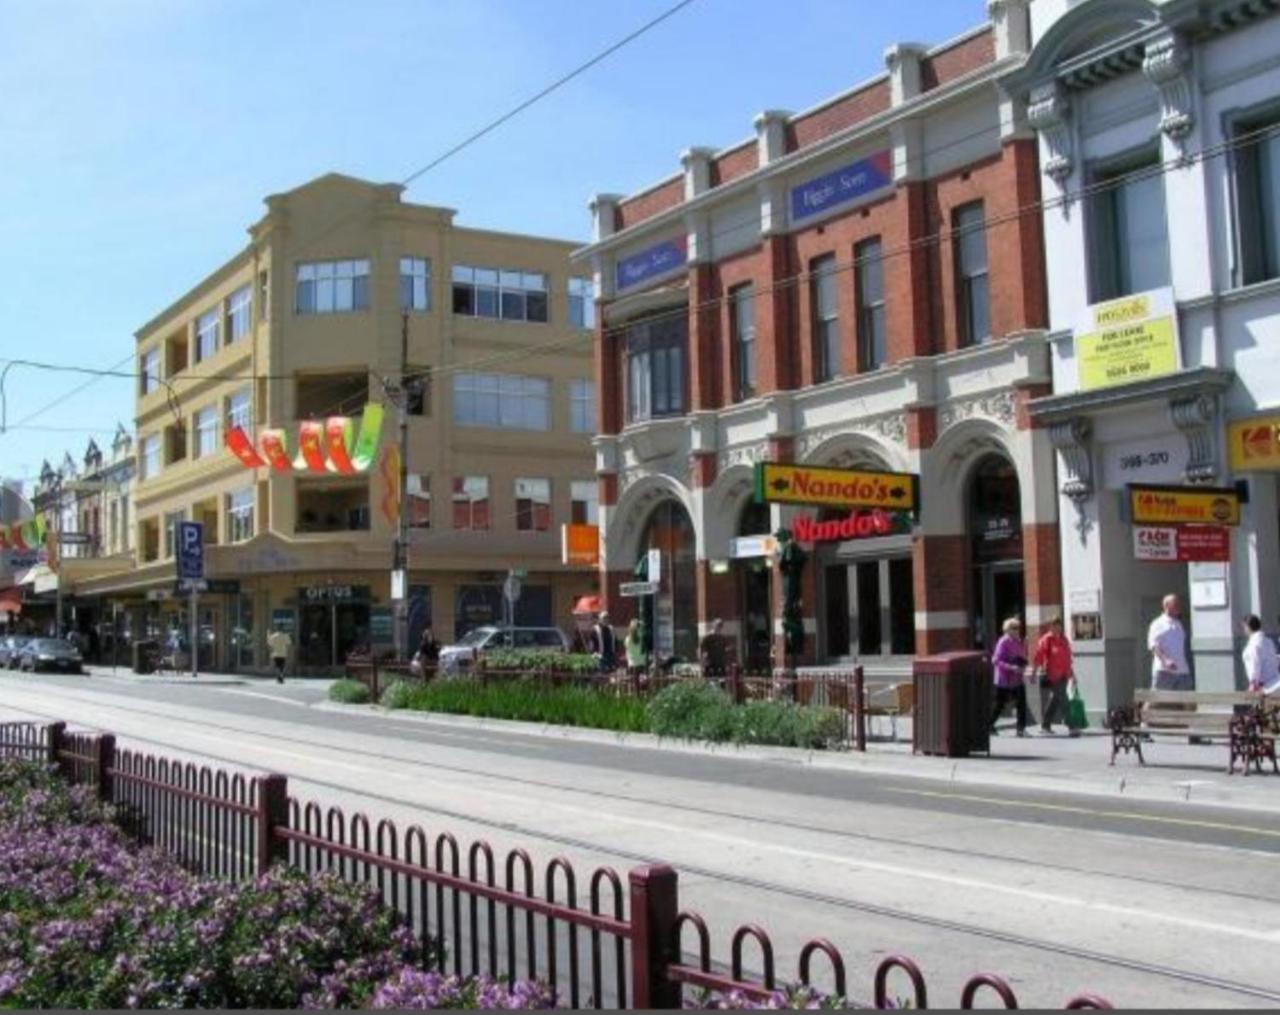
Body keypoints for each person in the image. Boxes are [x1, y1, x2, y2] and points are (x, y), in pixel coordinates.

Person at [990, 617, 1031, 737]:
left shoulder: (1018, 641)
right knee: (1000, 704)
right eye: (1014, 628)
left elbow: (1022, 657)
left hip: (1016, 678)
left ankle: (1020, 729)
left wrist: (1025, 646)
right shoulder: (1003, 641)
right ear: (1007, 629)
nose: (1017, 630)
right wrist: (1011, 667)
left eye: (1018, 628)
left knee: (1021, 703)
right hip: (1004, 679)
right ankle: (989, 725)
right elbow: (995, 660)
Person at [1032, 616, 1074, 734]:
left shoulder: (1064, 639)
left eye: (1059, 625)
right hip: (1053, 675)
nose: (1057, 627)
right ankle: (1072, 726)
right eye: (1055, 625)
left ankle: (1045, 725)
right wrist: (1034, 672)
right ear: (1051, 626)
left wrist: (1072, 673)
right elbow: (1038, 656)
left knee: (1055, 700)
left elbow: (1067, 657)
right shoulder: (1046, 639)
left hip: (1064, 674)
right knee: (1064, 700)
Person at [1148, 594, 1191, 691]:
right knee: (1158, 702)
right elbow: (1154, 646)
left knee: (1186, 702)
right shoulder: (1157, 624)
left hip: (1182, 670)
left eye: (1179, 604)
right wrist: (1165, 660)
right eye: (1176, 604)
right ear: (1166, 606)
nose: (1179, 606)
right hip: (1164, 671)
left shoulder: (1179, 624)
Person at [1242, 614, 1280, 694]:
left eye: (1244, 627)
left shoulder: (1253, 646)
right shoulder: (1269, 642)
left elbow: (1254, 667)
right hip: (1276, 683)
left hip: (1265, 688)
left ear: (1247, 627)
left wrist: (1253, 685)